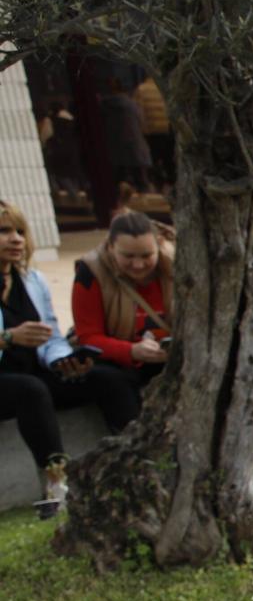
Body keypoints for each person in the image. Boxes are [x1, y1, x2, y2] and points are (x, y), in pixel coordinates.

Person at [0, 202, 135, 516]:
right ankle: (56, 485)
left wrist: (63, 359)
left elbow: (52, 335)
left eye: (20, 231)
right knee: (29, 389)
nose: (16, 239)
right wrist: (9, 338)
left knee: (107, 377)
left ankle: (136, 459)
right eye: (4, 231)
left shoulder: (32, 280)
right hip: (12, 385)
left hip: (35, 374)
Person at [70, 208, 174, 429]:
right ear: (110, 247)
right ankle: (133, 442)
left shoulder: (176, 265)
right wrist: (131, 351)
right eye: (128, 256)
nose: (138, 265)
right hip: (119, 359)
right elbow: (88, 337)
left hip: (169, 354)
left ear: (160, 245)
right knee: (109, 379)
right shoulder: (91, 272)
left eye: (147, 256)